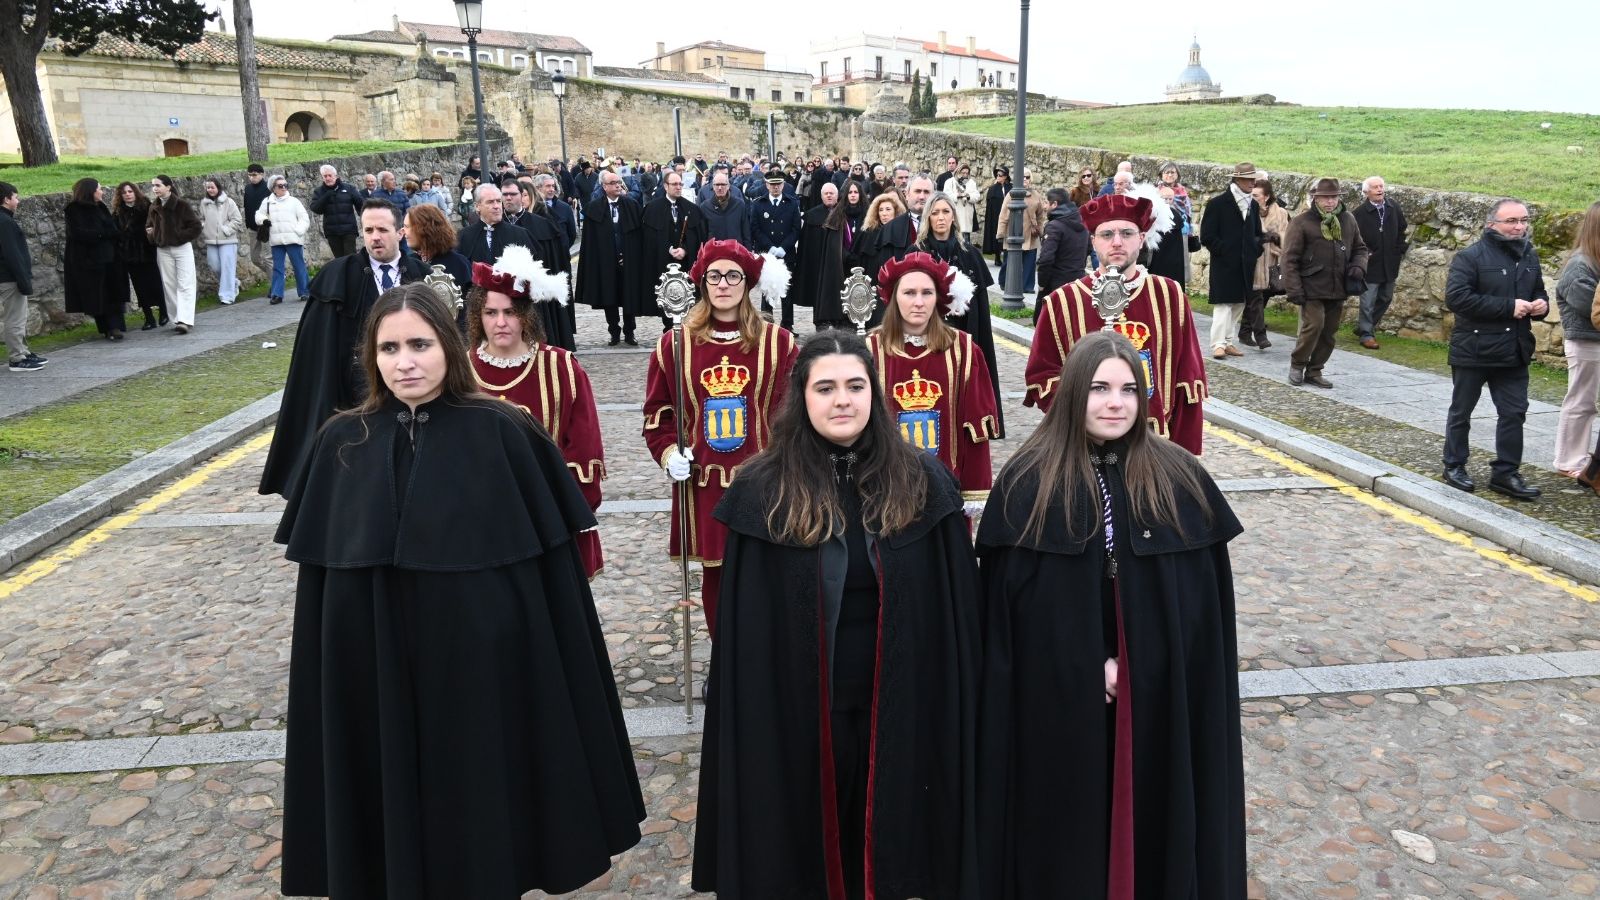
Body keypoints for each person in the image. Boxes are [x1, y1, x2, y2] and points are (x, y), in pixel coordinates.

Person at [275, 283, 644, 898]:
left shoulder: (504, 431)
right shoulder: (341, 443)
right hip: (379, 674)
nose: (405, 362)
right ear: (371, 357)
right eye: (389, 348)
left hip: (486, 676)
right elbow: (326, 604)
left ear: (448, 346)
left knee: (487, 813)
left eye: (419, 345)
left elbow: (552, 596)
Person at [692, 329, 981, 900]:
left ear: (875, 393)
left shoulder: (923, 481)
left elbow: (955, 614)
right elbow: (748, 628)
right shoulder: (764, 488)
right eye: (825, 388)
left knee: (891, 842)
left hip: (903, 707)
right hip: (800, 711)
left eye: (855, 385)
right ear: (801, 396)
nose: (842, 400)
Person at [976, 330, 1245, 899]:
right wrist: (1085, 663)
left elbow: (1202, 614)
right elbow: (1010, 618)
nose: (1115, 403)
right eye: (1099, 388)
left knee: (1156, 820)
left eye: (1128, 389)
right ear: (1074, 392)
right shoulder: (1028, 481)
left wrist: (1143, 661)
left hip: (1162, 699)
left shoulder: (1180, 478)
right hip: (1053, 706)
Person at [641, 239, 797, 635]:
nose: (723, 284)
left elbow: (797, 415)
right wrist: (669, 453)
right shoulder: (674, 344)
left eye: (733, 276)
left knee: (768, 574)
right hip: (705, 482)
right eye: (714, 276)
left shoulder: (779, 343)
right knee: (718, 576)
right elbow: (659, 414)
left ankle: (766, 657)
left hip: (765, 483)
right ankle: (725, 658)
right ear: (702, 282)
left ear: (747, 283)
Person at [258, 199, 428, 496]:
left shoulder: (423, 275)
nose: (375, 237)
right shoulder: (337, 276)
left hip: (412, 387)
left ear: (400, 232)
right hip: (355, 393)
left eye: (383, 230)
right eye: (369, 230)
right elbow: (318, 349)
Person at [1027, 193, 1207, 455]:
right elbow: (1042, 377)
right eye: (1107, 234)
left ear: (1142, 238)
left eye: (1127, 233)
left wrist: (1183, 455)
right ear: (1093, 241)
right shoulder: (1062, 301)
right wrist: (1085, 424)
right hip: (1083, 448)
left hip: (1155, 447)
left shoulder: (1169, 295)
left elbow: (1188, 379)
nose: (1117, 242)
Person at [466, 246, 605, 578]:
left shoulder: (561, 367)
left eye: (510, 312)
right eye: (490, 312)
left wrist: (561, 511)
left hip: (548, 518)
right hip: (479, 521)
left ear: (526, 315)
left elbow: (584, 447)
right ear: (478, 316)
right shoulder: (460, 370)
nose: (500, 322)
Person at [867, 250, 998, 502]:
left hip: (946, 491)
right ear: (894, 298)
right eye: (909, 293)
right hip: (886, 492)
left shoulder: (965, 351)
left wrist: (974, 493)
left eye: (927, 293)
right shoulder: (869, 351)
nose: (919, 302)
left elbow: (975, 436)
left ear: (938, 298)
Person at [1441, 199, 1548, 500]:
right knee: (1462, 411)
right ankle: (1454, 465)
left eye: (1523, 220)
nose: (1519, 226)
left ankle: (1505, 473)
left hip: (1514, 350)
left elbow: (1538, 291)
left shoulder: (1529, 255)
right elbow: (1457, 299)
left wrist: (1541, 305)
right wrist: (1508, 307)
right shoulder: (1470, 256)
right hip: (1474, 349)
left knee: (1514, 413)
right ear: (1491, 224)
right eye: (1511, 221)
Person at [916, 191, 1003, 431]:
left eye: (946, 212)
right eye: (935, 213)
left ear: (953, 216)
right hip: (930, 329)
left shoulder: (970, 254)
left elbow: (980, 305)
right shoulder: (917, 254)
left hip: (965, 329)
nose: (941, 218)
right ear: (928, 217)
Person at [1281, 178, 1369, 387]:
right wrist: (1294, 289)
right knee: (1314, 325)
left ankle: (1315, 370)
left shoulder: (1348, 219)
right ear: (1316, 198)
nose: (1330, 201)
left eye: (1334, 197)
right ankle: (1297, 365)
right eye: (1325, 198)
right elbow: (1289, 258)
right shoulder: (1301, 222)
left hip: (1338, 285)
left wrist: (1358, 266)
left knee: (1329, 332)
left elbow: (1360, 248)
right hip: (1310, 286)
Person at [1199, 162, 1264, 360]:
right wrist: (1224, 251)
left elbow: (1257, 233)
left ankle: (1228, 342)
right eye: (1249, 179)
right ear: (1238, 179)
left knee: (1239, 304)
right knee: (1223, 304)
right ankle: (1217, 344)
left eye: (1254, 180)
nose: (1252, 183)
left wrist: (1255, 249)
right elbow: (1207, 235)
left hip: (1245, 264)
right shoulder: (1218, 203)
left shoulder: (1253, 205)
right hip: (1224, 264)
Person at [1554, 202, 1600, 478]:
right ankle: (1569, 460)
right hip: (1587, 342)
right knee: (1582, 401)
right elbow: (1589, 307)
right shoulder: (1580, 264)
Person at [578, 170, 649, 346]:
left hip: (628, 261)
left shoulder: (631, 205)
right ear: (604, 186)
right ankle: (614, 331)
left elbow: (639, 236)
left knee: (629, 296)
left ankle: (630, 331)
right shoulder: (594, 208)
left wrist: (632, 256)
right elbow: (590, 241)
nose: (618, 185)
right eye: (613, 183)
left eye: (619, 182)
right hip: (605, 262)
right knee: (609, 297)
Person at [642, 168, 710, 330]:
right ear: (666, 186)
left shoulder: (692, 208)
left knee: (688, 299)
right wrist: (668, 249)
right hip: (663, 263)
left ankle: (688, 328)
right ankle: (669, 329)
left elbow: (698, 236)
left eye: (680, 184)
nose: (678, 187)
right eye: (674, 184)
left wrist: (685, 249)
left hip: (685, 264)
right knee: (667, 298)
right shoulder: (652, 208)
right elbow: (649, 237)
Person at [1350, 175, 1410, 349]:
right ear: (1366, 192)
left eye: (1381, 186)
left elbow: (1402, 228)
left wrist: (1400, 248)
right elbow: (1353, 237)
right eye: (1375, 187)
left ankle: (1364, 327)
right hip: (1370, 264)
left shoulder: (1393, 207)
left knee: (1385, 297)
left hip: (1390, 262)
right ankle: (1367, 334)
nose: (1380, 190)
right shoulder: (1359, 213)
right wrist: (1365, 254)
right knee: (1367, 301)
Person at [64, 178, 126, 341]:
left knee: (112, 292)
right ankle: (107, 328)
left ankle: (116, 326)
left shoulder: (100, 206)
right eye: (99, 189)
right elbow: (78, 233)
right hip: (89, 260)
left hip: (109, 257)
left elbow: (111, 228)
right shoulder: (73, 209)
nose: (102, 192)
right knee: (98, 295)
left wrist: (113, 234)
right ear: (90, 191)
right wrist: (103, 234)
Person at [808, 180, 869, 330]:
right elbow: (833, 241)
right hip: (841, 263)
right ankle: (842, 321)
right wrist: (845, 254)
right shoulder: (838, 214)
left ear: (860, 195)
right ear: (845, 195)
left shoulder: (868, 214)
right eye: (850, 192)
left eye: (856, 192)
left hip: (863, 262)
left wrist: (860, 256)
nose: (853, 195)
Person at [404, 204, 471, 333]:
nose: (403, 232)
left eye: (407, 226)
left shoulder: (459, 263)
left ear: (424, 228)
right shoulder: (408, 263)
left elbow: (469, 310)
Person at [147, 174, 200, 333]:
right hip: (163, 249)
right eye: (153, 185)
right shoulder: (153, 206)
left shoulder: (181, 205)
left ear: (168, 187)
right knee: (169, 284)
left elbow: (196, 226)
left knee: (186, 283)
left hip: (181, 248)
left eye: (158, 185)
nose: (155, 188)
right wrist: (153, 235)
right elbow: (149, 226)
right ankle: (177, 319)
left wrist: (178, 236)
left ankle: (185, 319)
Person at [1240, 178, 1289, 351]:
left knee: (1261, 298)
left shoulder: (1280, 213)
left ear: (1266, 196)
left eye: (1256, 195)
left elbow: (1287, 235)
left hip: (1271, 262)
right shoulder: (1246, 211)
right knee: (1256, 297)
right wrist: (1259, 239)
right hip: (1253, 260)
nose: (1253, 198)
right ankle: (1261, 336)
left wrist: (1277, 238)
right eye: (1251, 195)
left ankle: (1244, 332)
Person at [0, 181, 45, 371]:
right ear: (6, 199)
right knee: (15, 319)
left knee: (17, 317)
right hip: (9, 278)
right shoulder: (5, 222)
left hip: (7, 276)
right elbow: (13, 254)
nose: (18, 201)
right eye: (15, 197)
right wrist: (23, 280)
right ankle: (17, 358)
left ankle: (23, 351)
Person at [750, 169, 803, 328]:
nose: (775, 187)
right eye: (772, 184)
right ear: (766, 185)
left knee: (787, 290)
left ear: (783, 184)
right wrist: (770, 247)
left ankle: (787, 325)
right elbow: (755, 229)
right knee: (767, 290)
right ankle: (767, 325)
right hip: (767, 254)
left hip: (786, 253)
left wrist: (784, 247)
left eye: (778, 184)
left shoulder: (792, 203)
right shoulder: (758, 204)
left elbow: (796, 229)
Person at [112, 182, 165, 331]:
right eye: (124, 192)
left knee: (155, 282)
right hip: (130, 255)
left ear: (135, 192)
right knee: (139, 287)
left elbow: (156, 224)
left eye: (130, 191)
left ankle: (163, 312)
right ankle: (149, 318)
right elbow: (115, 232)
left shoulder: (146, 207)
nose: (128, 194)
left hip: (148, 251)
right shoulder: (118, 212)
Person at [258, 175, 311, 306]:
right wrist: (263, 220)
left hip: (293, 239)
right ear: (273, 188)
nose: (284, 188)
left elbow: (304, 218)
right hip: (276, 240)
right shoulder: (267, 202)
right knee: (277, 268)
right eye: (280, 186)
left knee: (299, 266)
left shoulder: (294, 201)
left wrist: (298, 231)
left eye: (285, 185)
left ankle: (305, 291)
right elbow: (259, 215)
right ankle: (277, 294)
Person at [994, 170, 1046, 294]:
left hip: (1031, 233)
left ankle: (1027, 286)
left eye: (1027, 177)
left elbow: (1040, 215)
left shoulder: (1036, 195)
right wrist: (1000, 233)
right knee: (1009, 260)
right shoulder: (1011, 194)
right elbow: (1003, 215)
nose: (1025, 179)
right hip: (1013, 232)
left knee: (1030, 261)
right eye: (1022, 177)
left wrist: (1040, 230)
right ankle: (1004, 281)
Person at [795, 181, 839, 326]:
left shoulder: (844, 213)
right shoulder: (812, 215)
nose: (829, 196)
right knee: (818, 294)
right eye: (826, 193)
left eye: (831, 193)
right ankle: (820, 322)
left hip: (838, 262)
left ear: (837, 195)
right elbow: (805, 244)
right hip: (817, 262)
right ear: (821, 196)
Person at [1036, 187, 1089, 303]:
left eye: (1046, 202)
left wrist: (1042, 283)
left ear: (1054, 204)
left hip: (1056, 284)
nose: (1044, 207)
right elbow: (1088, 249)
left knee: (1047, 314)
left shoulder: (1054, 226)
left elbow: (1046, 259)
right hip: (1078, 280)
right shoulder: (1083, 222)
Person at [198, 177, 243, 306]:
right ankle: (233, 283)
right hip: (211, 240)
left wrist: (226, 230)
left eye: (212, 187)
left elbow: (237, 219)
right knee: (214, 265)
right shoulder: (204, 203)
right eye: (208, 187)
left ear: (218, 187)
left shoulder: (229, 202)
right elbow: (201, 218)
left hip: (228, 240)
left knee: (227, 267)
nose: (210, 190)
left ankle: (227, 295)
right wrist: (204, 226)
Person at [308, 165, 364, 259]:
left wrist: (364, 217)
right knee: (339, 259)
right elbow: (315, 209)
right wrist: (326, 196)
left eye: (330, 175)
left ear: (336, 176)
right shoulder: (319, 191)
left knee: (351, 257)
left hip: (349, 230)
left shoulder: (349, 188)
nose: (328, 178)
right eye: (325, 176)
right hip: (332, 231)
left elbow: (361, 204)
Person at [699, 170, 752, 249]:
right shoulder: (705, 207)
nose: (720, 188)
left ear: (728, 186)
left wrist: (748, 251)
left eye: (723, 184)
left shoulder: (739, 205)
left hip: (736, 251)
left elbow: (746, 232)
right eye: (717, 185)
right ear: (713, 187)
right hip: (715, 252)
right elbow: (703, 235)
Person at [243, 163, 271, 273]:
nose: (251, 177)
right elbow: (246, 206)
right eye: (249, 175)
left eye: (254, 175)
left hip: (265, 227)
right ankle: (277, 274)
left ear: (262, 174)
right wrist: (248, 223)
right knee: (255, 258)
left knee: (269, 258)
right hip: (253, 228)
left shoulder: (268, 188)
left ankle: (275, 281)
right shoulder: (247, 188)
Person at [982, 167, 1010, 265]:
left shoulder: (1010, 188)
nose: (998, 177)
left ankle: (1006, 257)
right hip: (995, 216)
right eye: (997, 175)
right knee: (996, 235)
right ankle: (997, 257)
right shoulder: (992, 189)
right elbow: (990, 205)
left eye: (1000, 175)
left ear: (1005, 177)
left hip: (1008, 215)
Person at [950, 165, 981, 245]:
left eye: (967, 173)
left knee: (966, 239)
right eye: (963, 173)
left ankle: (967, 250)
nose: (965, 175)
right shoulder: (951, 182)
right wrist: (957, 195)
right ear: (959, 172)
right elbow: (947, 195)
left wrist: (968, 196)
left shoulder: (971, 183)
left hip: (967, 214)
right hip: (956, 212)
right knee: (955, 236)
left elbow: (977, 196)